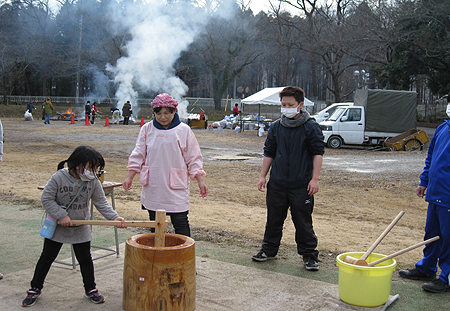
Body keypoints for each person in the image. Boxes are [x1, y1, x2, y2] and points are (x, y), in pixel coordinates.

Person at [21, 146, 126, 307]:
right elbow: (46, 199)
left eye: (97, 168)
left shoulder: (93, 181)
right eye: (92, 167)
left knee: (85, 259)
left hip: (81, 226)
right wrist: (62, 216)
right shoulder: (59, 177)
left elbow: (101, 202)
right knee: (47, 257)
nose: (95, 171)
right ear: (78, 165)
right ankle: (35, 288)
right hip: (58, 226)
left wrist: (114, 217)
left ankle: (90, 289)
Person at [252, 86, 324, 271]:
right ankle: (268, 250)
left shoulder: (311, 127)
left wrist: (315, 179)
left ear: (300, 105)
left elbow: (317, 153)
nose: (286, 108)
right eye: (283, 104)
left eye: (290, 104)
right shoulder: (276, 127)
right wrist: (263, 176)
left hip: (301, 184)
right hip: (277, 183)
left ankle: (309, 255)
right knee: (274, 218)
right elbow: (269, 152)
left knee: (303, 221)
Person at [123, 93, 207, 237]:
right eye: (159, 113)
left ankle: (184, 255)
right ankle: (158, 253)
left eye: (167, 113)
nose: (163, 117)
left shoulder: (184, 130)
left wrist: (200, 180)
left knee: (180, 221)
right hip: (154, 184)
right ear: (153, 113)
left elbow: (193, 157)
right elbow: (139, 153)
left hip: (176, 185)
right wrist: (130, 177)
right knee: (155, 223)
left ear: (174, 111)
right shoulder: (147, 129)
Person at [398, 95, 450, 293]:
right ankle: (426, 268)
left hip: (448, 196)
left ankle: (446, 277)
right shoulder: (443, 128)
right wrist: (424, 181)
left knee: (448, 238)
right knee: (432, 235)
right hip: (436, 193)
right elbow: (431, 157)